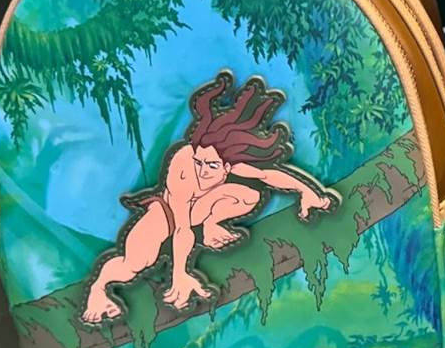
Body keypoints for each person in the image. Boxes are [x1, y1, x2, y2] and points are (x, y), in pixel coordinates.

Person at [82, 70, 337, 323]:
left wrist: (308, 192)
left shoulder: (233, 164)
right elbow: (181, 228)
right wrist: (180, 275)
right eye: (199, 161)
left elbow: (270, 175)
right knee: (133, 263)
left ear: (227, 167)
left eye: (211, 166)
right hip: (167, 215)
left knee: (249, 194)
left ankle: (210, 226)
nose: (202, 171)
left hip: (199, 213)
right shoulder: (183, 165)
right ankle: (98, 291)